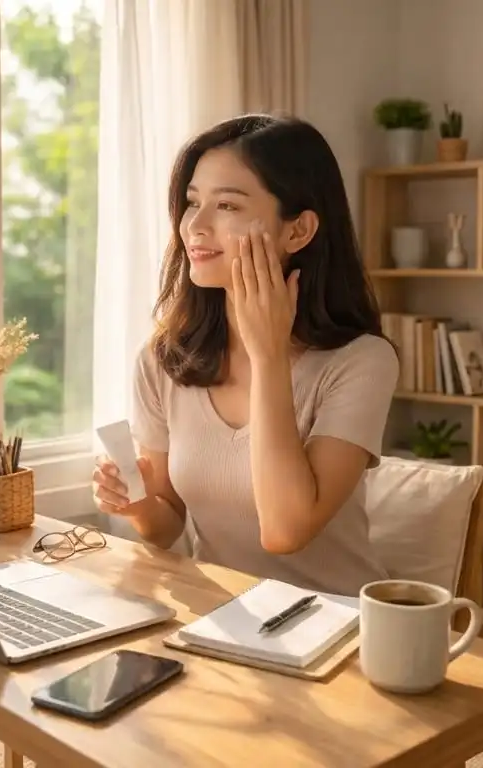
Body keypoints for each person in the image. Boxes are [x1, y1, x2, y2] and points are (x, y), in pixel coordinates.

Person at [90, 114, 400, 596]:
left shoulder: (362, 362)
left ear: (298, 231)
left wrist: (268, 354)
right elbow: (167, 524)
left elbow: (285, 532)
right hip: (221, 616)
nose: (195, 225)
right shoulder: (163, 360)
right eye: (193, 202)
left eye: (227, 205)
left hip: (337, 623)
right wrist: (134, 502)